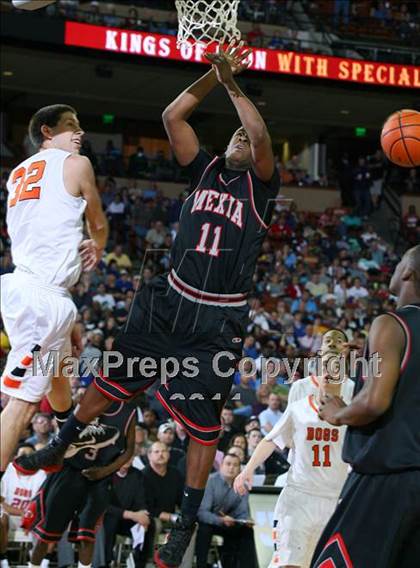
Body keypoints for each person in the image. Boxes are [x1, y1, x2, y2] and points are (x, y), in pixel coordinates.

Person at [15, 42, 280, 568]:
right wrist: (213, 73)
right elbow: (172, 114)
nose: (237, 138)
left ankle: (182, 526)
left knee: (205, 428)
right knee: (110, 380)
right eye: (232, 132)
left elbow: (261, 135)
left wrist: (233, 85)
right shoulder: (202, 169)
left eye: (243, 137)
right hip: (169, 299)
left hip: (216, 317)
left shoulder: (261, 187)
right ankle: (60, 442)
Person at [1, 104, 108, 473]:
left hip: (36, 287)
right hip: (40, 296)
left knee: (59, 364)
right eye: (70, 126)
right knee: (21, 402)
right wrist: (98, 244)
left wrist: (67, 315)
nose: (79, 133)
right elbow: (97, 223)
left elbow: (46, 235)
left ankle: (66, 431)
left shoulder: (17, 172)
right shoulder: (76, 165)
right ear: (47, 132)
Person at [311, 246, 420, 568]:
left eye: (399, 260)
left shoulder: (391, 323)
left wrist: (338, 412)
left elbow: (375, 401)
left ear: (407, 272)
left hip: (389, 479)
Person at [234, 366, 354, 568]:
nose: (331, 382)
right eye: (327, 377)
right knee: (289, 562)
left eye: (337, 379)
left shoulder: (351, 415)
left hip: (335, 498)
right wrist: (247, 470)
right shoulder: (299, 408)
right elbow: (271, 440)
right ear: (317, 381)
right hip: (299, 495)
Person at [22, 401, 136, 568]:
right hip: (68, 471)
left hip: (98, 477)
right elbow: (61, 423)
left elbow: (129, 451)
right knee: (46, 534)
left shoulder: (128, 412)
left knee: (86, 536)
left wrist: (106, 471)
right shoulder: (83, 399)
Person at [196, 453, 257, 568]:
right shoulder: (210, 481)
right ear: (221, 466)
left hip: (230, 522)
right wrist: (220, 520)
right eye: (228, 464)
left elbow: (242, 512)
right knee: (204, 530)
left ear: (240, 468)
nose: (231, 468)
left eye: (235, 465)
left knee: (247, 532)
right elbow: (202, 512)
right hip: (211, 521)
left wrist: (246, 520)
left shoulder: (242, 485)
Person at [0, 445, 46, 568]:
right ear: (15, 457)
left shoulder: (41, 474)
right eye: (22, 454)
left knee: (46, 519)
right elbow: (1, 501)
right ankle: (3, 559)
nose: (25, 458)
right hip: (9, 513)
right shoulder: (8, 469)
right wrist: (21, 512)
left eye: (29, 455)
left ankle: (39, 561)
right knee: (1, 519)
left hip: (31, 515)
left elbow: (39, 503)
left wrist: (28, 515)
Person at [103, 458, 152, 568]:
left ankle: (140, 563)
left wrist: (143, 513)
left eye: (131, 455)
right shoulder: (105, 473)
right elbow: (103, 506)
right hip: (106, 518)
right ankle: (105, 562)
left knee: (149, 522)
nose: (128, 459)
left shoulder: (136, 474)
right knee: (110, 521)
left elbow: (141, 500)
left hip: (128, 519)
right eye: (125, 455)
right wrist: (132, 515)